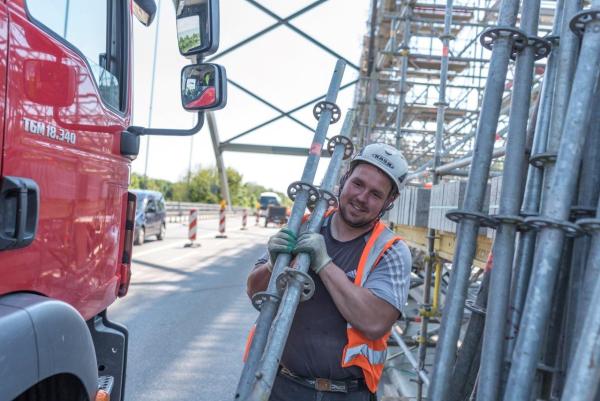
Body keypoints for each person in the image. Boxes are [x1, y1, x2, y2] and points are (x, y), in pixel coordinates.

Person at [246, 143, 413, 401]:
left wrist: (324, 263)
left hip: (346, 394)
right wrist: (271, 264)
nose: (361, 198)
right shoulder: (303, 225)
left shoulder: (390, 250)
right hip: (278, 384)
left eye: (375, 194)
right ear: (345, 178)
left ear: (389, 201)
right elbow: (255, 291)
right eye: (358, 184)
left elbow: (374, 323)